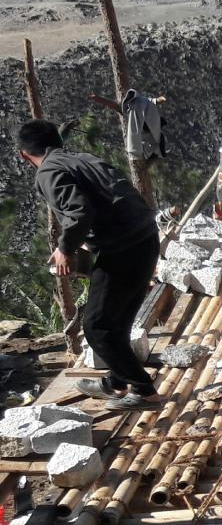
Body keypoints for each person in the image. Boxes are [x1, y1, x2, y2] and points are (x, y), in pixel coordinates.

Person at [18, 119, 160, 411]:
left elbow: (79, 211)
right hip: (145, 236)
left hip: (123, 247)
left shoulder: (48, 171)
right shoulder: (81, 159)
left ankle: (144, 390)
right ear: (56, 141)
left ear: (23, 155)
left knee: (95, 325)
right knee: (116, 320)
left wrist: (64, 249)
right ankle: (118, 382)